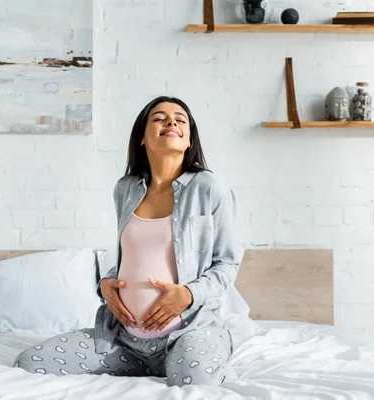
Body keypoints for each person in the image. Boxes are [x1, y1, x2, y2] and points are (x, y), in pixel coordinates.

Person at [14, 96, 244, 387]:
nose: (171, 122)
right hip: (125, 340)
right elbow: (130, 258)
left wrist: (188, 294)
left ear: (189, 141)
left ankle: (195, 360)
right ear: (141, 138)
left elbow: (226, 263)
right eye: (159, 118)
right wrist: (106, 285)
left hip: (189, 331)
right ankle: (153, 367)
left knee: (196, 383)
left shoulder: (210, 188)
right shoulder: (125, 189)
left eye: (180, 119)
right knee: (31, 362)